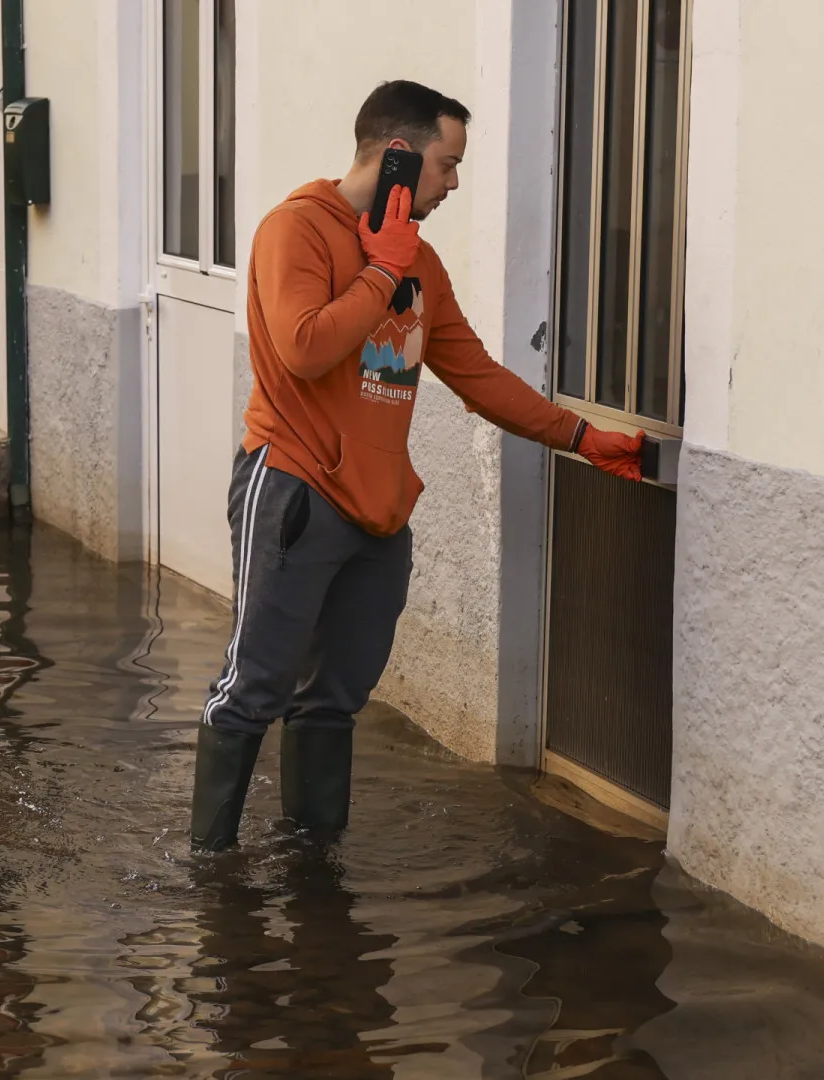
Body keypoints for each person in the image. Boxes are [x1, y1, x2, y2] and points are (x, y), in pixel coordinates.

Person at [190, 79, 644, 852]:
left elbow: (477, 375)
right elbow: (305, 349)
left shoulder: (421, 264)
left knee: (335, 699)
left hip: (379, 513)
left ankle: (312, 868)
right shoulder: (293, 231)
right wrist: (379, 270)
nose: (455, 182)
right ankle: (210, 874)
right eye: (447, 164)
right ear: (399, 156)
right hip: (295, 491)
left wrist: (580, 437)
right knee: (253, 688)